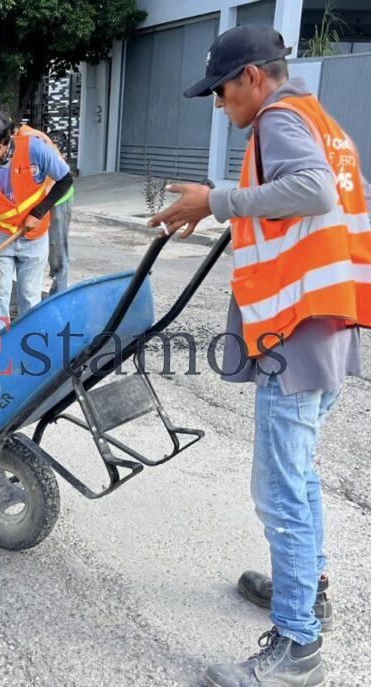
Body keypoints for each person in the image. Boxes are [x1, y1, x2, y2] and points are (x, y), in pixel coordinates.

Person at [150, 25, 370, 687]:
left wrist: (218, 201)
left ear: (250, 76)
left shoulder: (277, 120)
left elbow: (313, 192)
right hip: (327, 326)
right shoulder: (317, 117)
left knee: (279, 491)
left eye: (219, 91)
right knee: (297, 476)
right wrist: (221, 203)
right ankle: (308, 586)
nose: (219, 104)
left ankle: (297, 646)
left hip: (297, 337)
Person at [0, 111, 74, 338]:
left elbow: (65, 180)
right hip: (0, 236)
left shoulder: (34, 149)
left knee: (29, 295)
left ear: (0, 144)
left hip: (34, 235)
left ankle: (30, 347)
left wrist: (38, 212)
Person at [15, 121, 74, 294]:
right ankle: (27, 292)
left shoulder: (30, 139)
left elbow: (60, 178)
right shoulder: (17, 140)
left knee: (57, 245)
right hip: (40, 200)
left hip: (58, 196)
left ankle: (59, 293)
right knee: (36, 245)